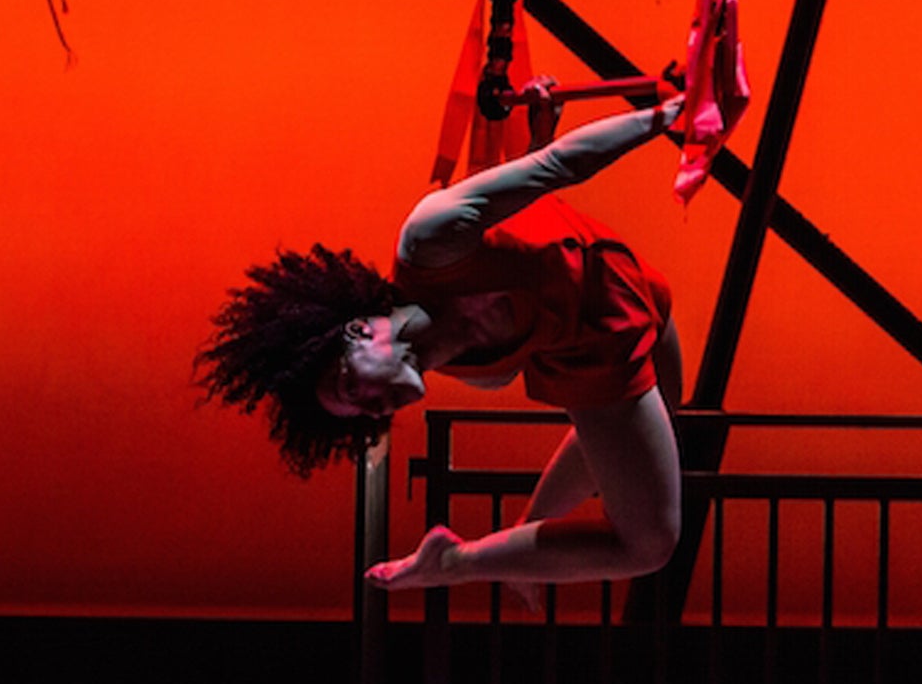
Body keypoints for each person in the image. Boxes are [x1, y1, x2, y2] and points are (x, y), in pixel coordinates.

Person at [195, 88, 687, 594]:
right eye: (364, 414)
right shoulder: (480, 372)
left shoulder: (428, 240)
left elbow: (554, 170)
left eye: (351, 387)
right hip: (603, 348)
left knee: (658, 428)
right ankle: (457, 561)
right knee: (649, 543)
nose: (375, 408)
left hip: (631, 283)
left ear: (359, 331)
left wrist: (662, 116)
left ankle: (518, 547)